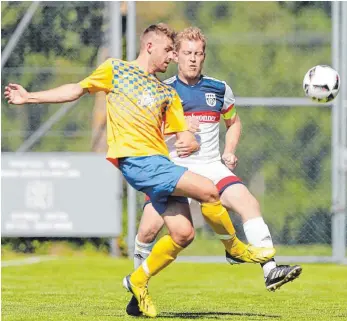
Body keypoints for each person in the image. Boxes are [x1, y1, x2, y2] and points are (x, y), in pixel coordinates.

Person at [4, 23, 275, 318]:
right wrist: (30, 97)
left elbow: (182, 136)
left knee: (183, 234)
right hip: (139, 161)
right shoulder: (115, 70)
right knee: (210, 192)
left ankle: (138, 281)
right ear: (150, 47)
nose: (172, 57)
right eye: (170, 50)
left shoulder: (166, 93)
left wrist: (190, 140)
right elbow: (76, 89)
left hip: (162, 164)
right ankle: (234, 248)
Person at [126, 26, 302, 316]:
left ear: (204, 56)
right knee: (147, 230)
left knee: (249, 203)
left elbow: (234, 123)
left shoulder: (219, 88)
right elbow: (148, 131)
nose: (193, 59)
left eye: (198, 54)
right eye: (187, 53)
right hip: (175, 169)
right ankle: (137, 288)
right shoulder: (163, 89)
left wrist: (229, 150)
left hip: (211, 166)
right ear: (176, 56)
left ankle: (270, 270)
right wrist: (179, 128)